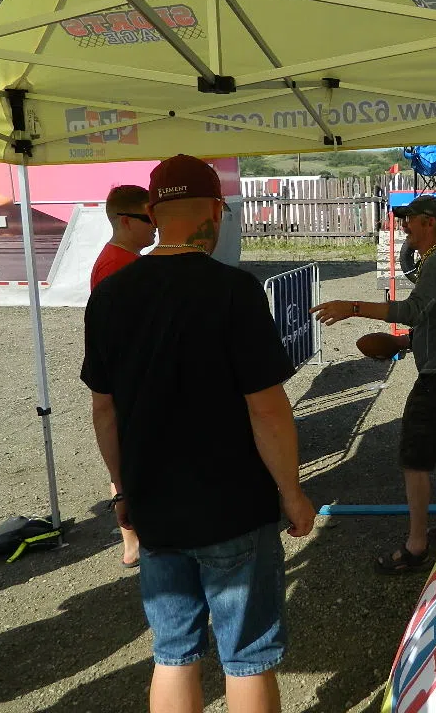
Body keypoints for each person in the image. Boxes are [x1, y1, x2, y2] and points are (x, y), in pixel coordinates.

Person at [81, 154, 316, 713]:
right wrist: (292, 491)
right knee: (247, 656)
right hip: (233, 505)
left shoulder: (110, 294)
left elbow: (104, 411)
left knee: (172, 652)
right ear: (214, 210)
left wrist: (121, 490)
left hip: (154, 506)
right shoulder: (234, 290)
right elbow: (267, 410)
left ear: (153, 212)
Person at [311, 194, 436, 574]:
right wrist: (406, 343)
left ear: (429, 223)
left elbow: (412, 310)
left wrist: (353, 307)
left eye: (409, 219)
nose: (403, 226)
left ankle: (416, 547)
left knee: (415, 460)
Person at [89, 184, 156, 569]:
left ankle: (134, 538)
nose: (156, 227)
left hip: (125, 381)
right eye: (150, 219)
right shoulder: (118, 266)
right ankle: (133, 539)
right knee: (127, 454)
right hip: (125, 383)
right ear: (126, 221)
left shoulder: (124, 260)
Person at [90, 184, 156, 291]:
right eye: (149, 218)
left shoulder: (119, 260)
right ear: (126, 221)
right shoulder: (116, 265)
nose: (155, 224)